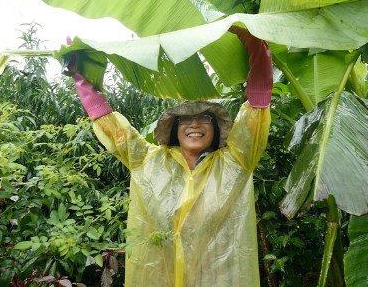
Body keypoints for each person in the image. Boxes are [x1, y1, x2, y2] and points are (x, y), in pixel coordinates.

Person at [69, 26, 272, 287]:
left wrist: (258, 51)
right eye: (186, 119)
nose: (195, 125)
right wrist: (82, 80)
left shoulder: (236, 161)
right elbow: (114, 130)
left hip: (218, 277)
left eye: (204, 119)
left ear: (216, 127)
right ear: (175, 128)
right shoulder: (148, 161)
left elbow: (256, 114)